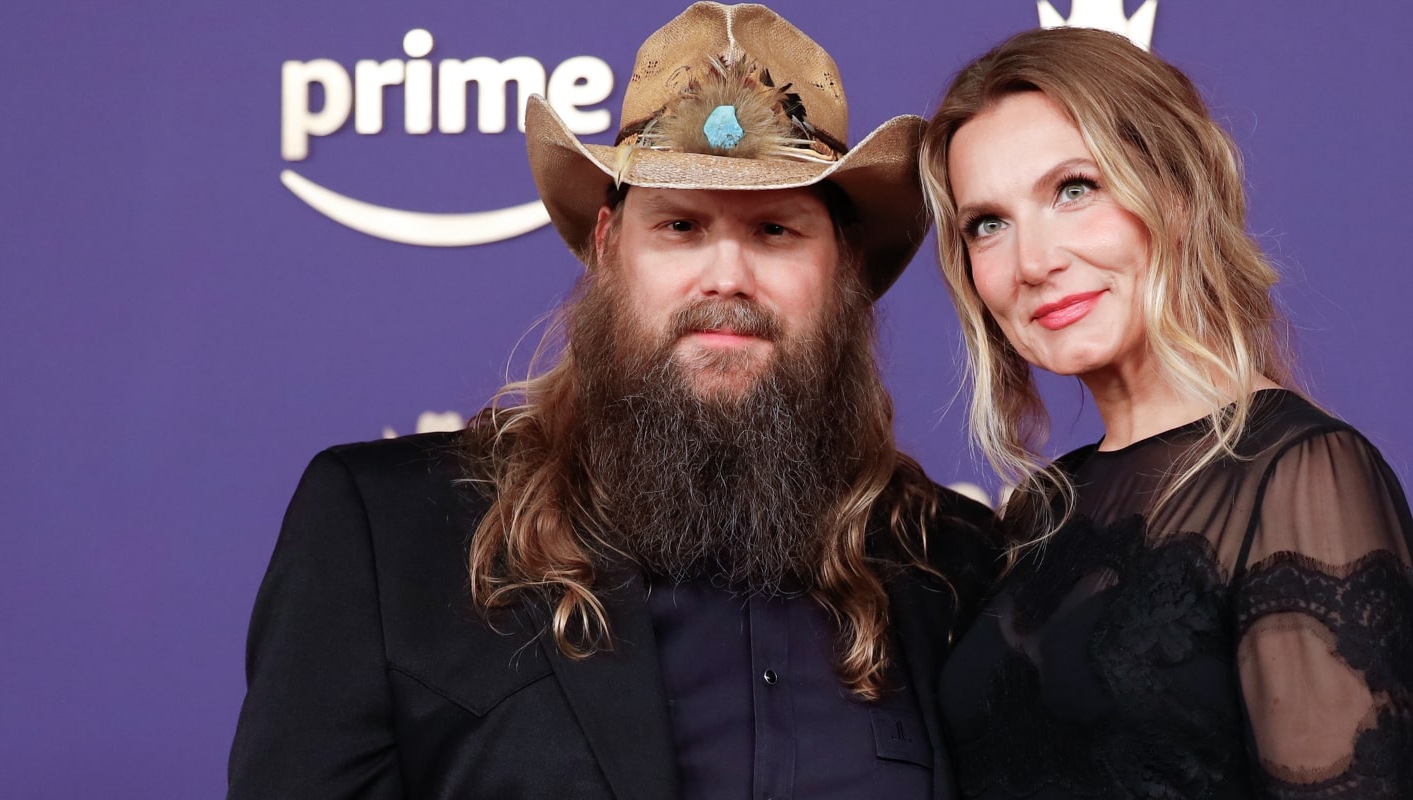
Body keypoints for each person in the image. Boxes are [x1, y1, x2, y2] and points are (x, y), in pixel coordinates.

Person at [227, 4, 993, 798]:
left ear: (845, 268)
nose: (726, 277)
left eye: (775, 230)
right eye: (681, 226)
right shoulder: (389, 535)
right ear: (607, 247)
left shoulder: (954, 567)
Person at [917, 27, 1413, 799]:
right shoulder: (1041, 512)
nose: (1033, 262)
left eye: (1074, 189)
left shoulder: (1297, 475)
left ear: (1178, 194)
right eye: (987, 224)